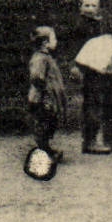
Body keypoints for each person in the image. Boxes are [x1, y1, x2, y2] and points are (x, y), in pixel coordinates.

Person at [71, 0, 112, 155]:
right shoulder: (80, 26)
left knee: (111, 101)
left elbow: (110, 43)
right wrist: (76, 67)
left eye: (94, 5)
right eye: (86, 5)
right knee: (92, 104)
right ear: (80, 7)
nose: (90, 9)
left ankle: (111, 137)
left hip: (104, 69)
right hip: (89, 70)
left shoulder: (102, 24)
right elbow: (75, 49)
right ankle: (90, 141)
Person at [25, 26, 67, 164]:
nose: (56, 41)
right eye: (53, 38)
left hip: (48, 97)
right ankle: (43, 151)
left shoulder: (46, 57)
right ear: (45, 42)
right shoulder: (40, 58)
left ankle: (46, 148)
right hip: (42, 98)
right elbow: (37, 76)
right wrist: (45, 90)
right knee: (43, 123)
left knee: (50, 122)